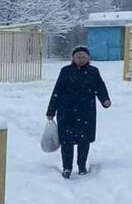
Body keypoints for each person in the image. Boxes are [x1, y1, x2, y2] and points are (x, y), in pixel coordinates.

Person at [46, 46, 111, 179]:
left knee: (84, 140)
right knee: (66, 141)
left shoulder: (93, 71)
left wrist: (105, 100)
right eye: (78, 57)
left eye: (84, 57)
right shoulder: (65, 71)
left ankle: (82, 166)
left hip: (86, 111)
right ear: (73, 58)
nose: (81, 59)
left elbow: (100, 87)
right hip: (66, 111)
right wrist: (51, 110)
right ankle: (67, 168)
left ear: (88, 58)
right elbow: (57, 91)